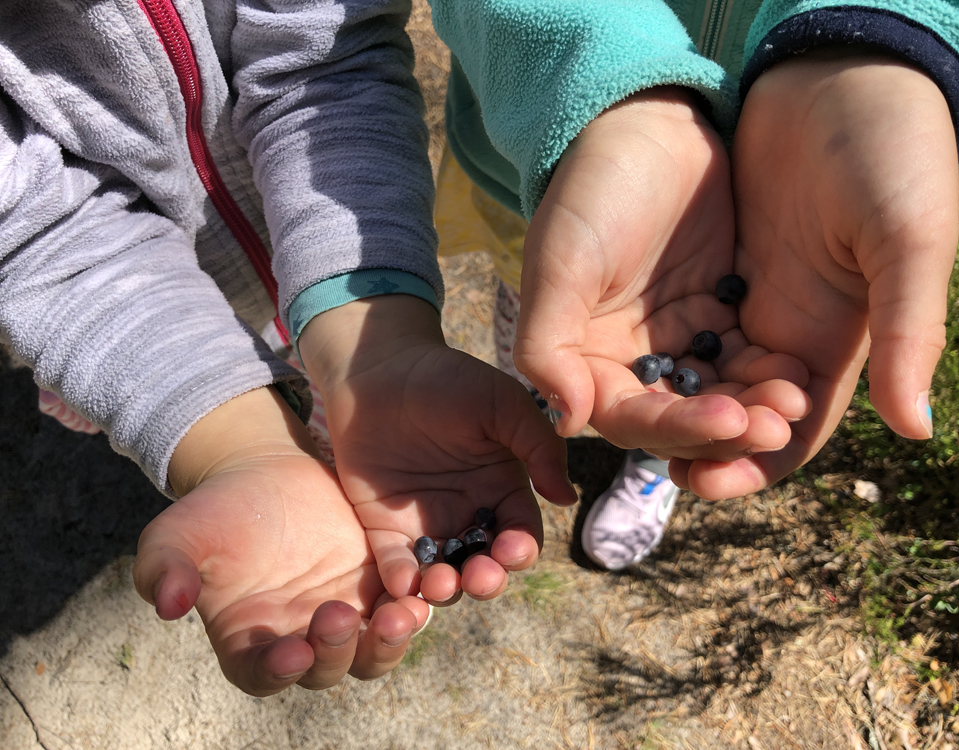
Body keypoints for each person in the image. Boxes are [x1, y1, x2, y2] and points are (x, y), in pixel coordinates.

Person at [0, 0, 587, 697]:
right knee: (248, 379)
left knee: (300, 352)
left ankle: (305, 390)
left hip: (306, 265)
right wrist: (236, 443)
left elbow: (326, 64)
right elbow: (42, 238)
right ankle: (271, 418)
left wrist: (372, 343)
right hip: (131, 322)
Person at [426, 0, 959, 563]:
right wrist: (607, 73)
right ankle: (549, 395)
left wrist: (884, 44)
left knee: (674, 404)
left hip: (785, 178)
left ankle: (656, 461)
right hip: (549, 141)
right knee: (547, 304)